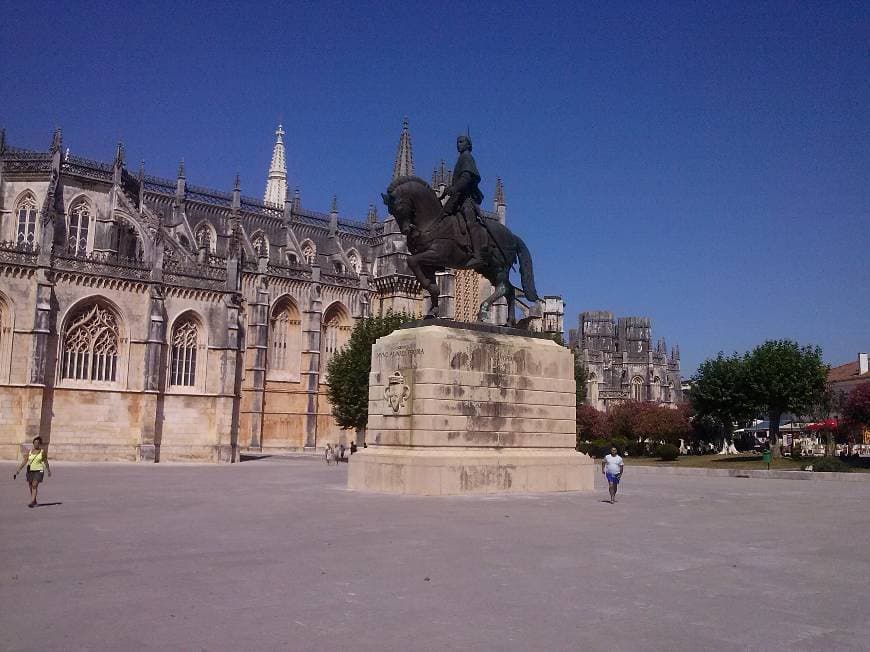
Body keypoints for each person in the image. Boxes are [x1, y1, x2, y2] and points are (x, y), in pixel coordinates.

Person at [439, 135, 488, 268]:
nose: (458, 144)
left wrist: (454, 188)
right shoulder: (461, 158)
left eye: (461, 142)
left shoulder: (467, 157)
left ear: (468, 145)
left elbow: (466, 178)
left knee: (470, 222)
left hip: (466, 199)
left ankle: (478, 255)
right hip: (457, 198)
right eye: (457, 142)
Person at [13, 436, 51, 508]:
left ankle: (32, 501)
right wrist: (18, 470)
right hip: (30, 471)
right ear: (33, 443)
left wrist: (48, 470)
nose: (36, 444)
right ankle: (35, 500)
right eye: (35, 443)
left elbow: (46, 461)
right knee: (30, 486)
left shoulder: (42, 452)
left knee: (34, 485)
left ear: (40, 444)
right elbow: (25, 461)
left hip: (39, 470)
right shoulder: (29, 452)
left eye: (38, 443)